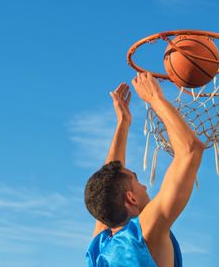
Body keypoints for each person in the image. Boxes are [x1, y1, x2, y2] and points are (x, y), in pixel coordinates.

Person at [84, 72, 205, 267]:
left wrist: (123, 123)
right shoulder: (143, 234)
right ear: (131, 198)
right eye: (137, 181)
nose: (145, 187)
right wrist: (155, 98)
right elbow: (191, 151)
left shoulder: (99, 251)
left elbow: (108, 185)